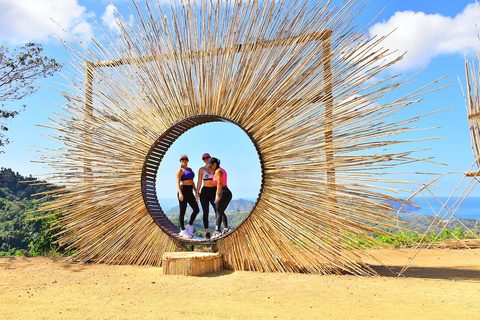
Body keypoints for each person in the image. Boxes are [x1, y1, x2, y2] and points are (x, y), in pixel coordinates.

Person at [176, 154, 200, 238]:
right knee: (182, 211)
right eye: (182, 159)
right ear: (180, 161)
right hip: (183, 190)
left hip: (190, 191)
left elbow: (192, 182)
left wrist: (196, 191)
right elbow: (178, 182)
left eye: (186, 159)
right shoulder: (180, 170)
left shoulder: (190, 169)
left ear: (188, 160)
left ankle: (189, 226)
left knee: (196, 209)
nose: (184, 160)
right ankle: (182, 230)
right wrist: (180, 193)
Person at [208, 157, 232, 239]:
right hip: (226, 192)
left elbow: (219, 183)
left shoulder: (218, 171)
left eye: (211, 166)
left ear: (215, 164)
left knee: (218, 212)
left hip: (222, 192)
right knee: (221, 212)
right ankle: (226, 229)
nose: (210, 167)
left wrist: (217, 194)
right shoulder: (221, 170)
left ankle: (217, 232)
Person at [196, 153, 215, 239]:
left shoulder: (215, 168)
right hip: (205, 191)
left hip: (214, 191)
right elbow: (199, 181)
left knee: (217, 210)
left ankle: (218, 230)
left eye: (207, 157)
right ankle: (207, 232)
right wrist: (197, 193)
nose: (206, 159)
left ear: (210, 157)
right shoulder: (201, 169)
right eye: (204, 158)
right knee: (205, 212)